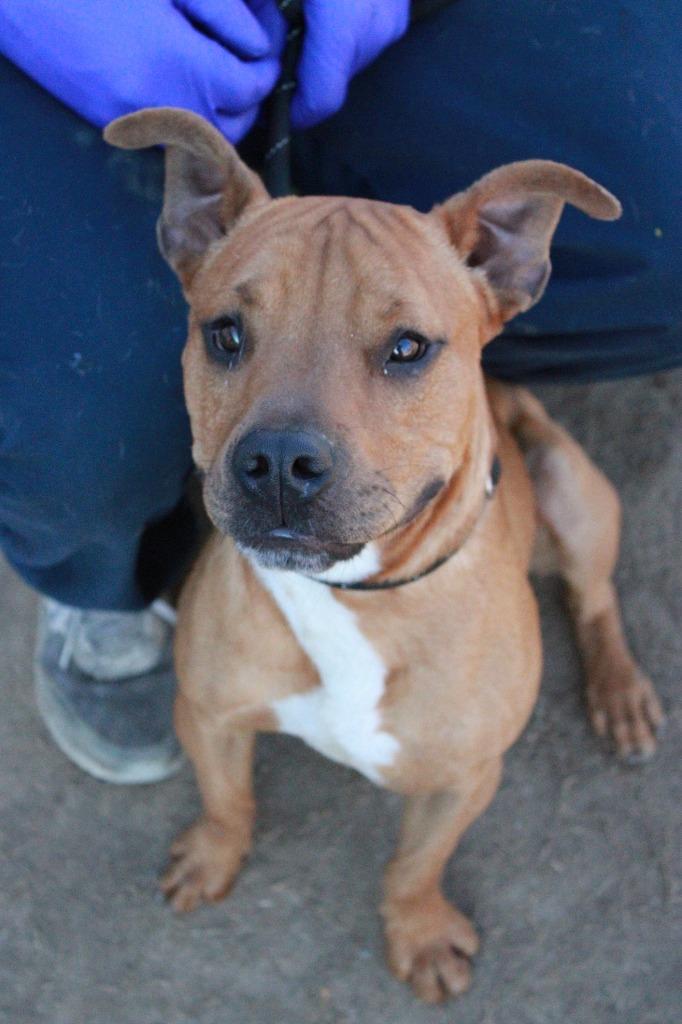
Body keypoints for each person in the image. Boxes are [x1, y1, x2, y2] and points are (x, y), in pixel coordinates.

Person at [1, 1, 679, 784]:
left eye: (401, 349)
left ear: (502, 265)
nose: (287, 450)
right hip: (68, 49)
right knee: (75, 403)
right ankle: (107, 585)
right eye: (230, 338)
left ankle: (596, 611)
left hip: (374, 22)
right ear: (193, 228)